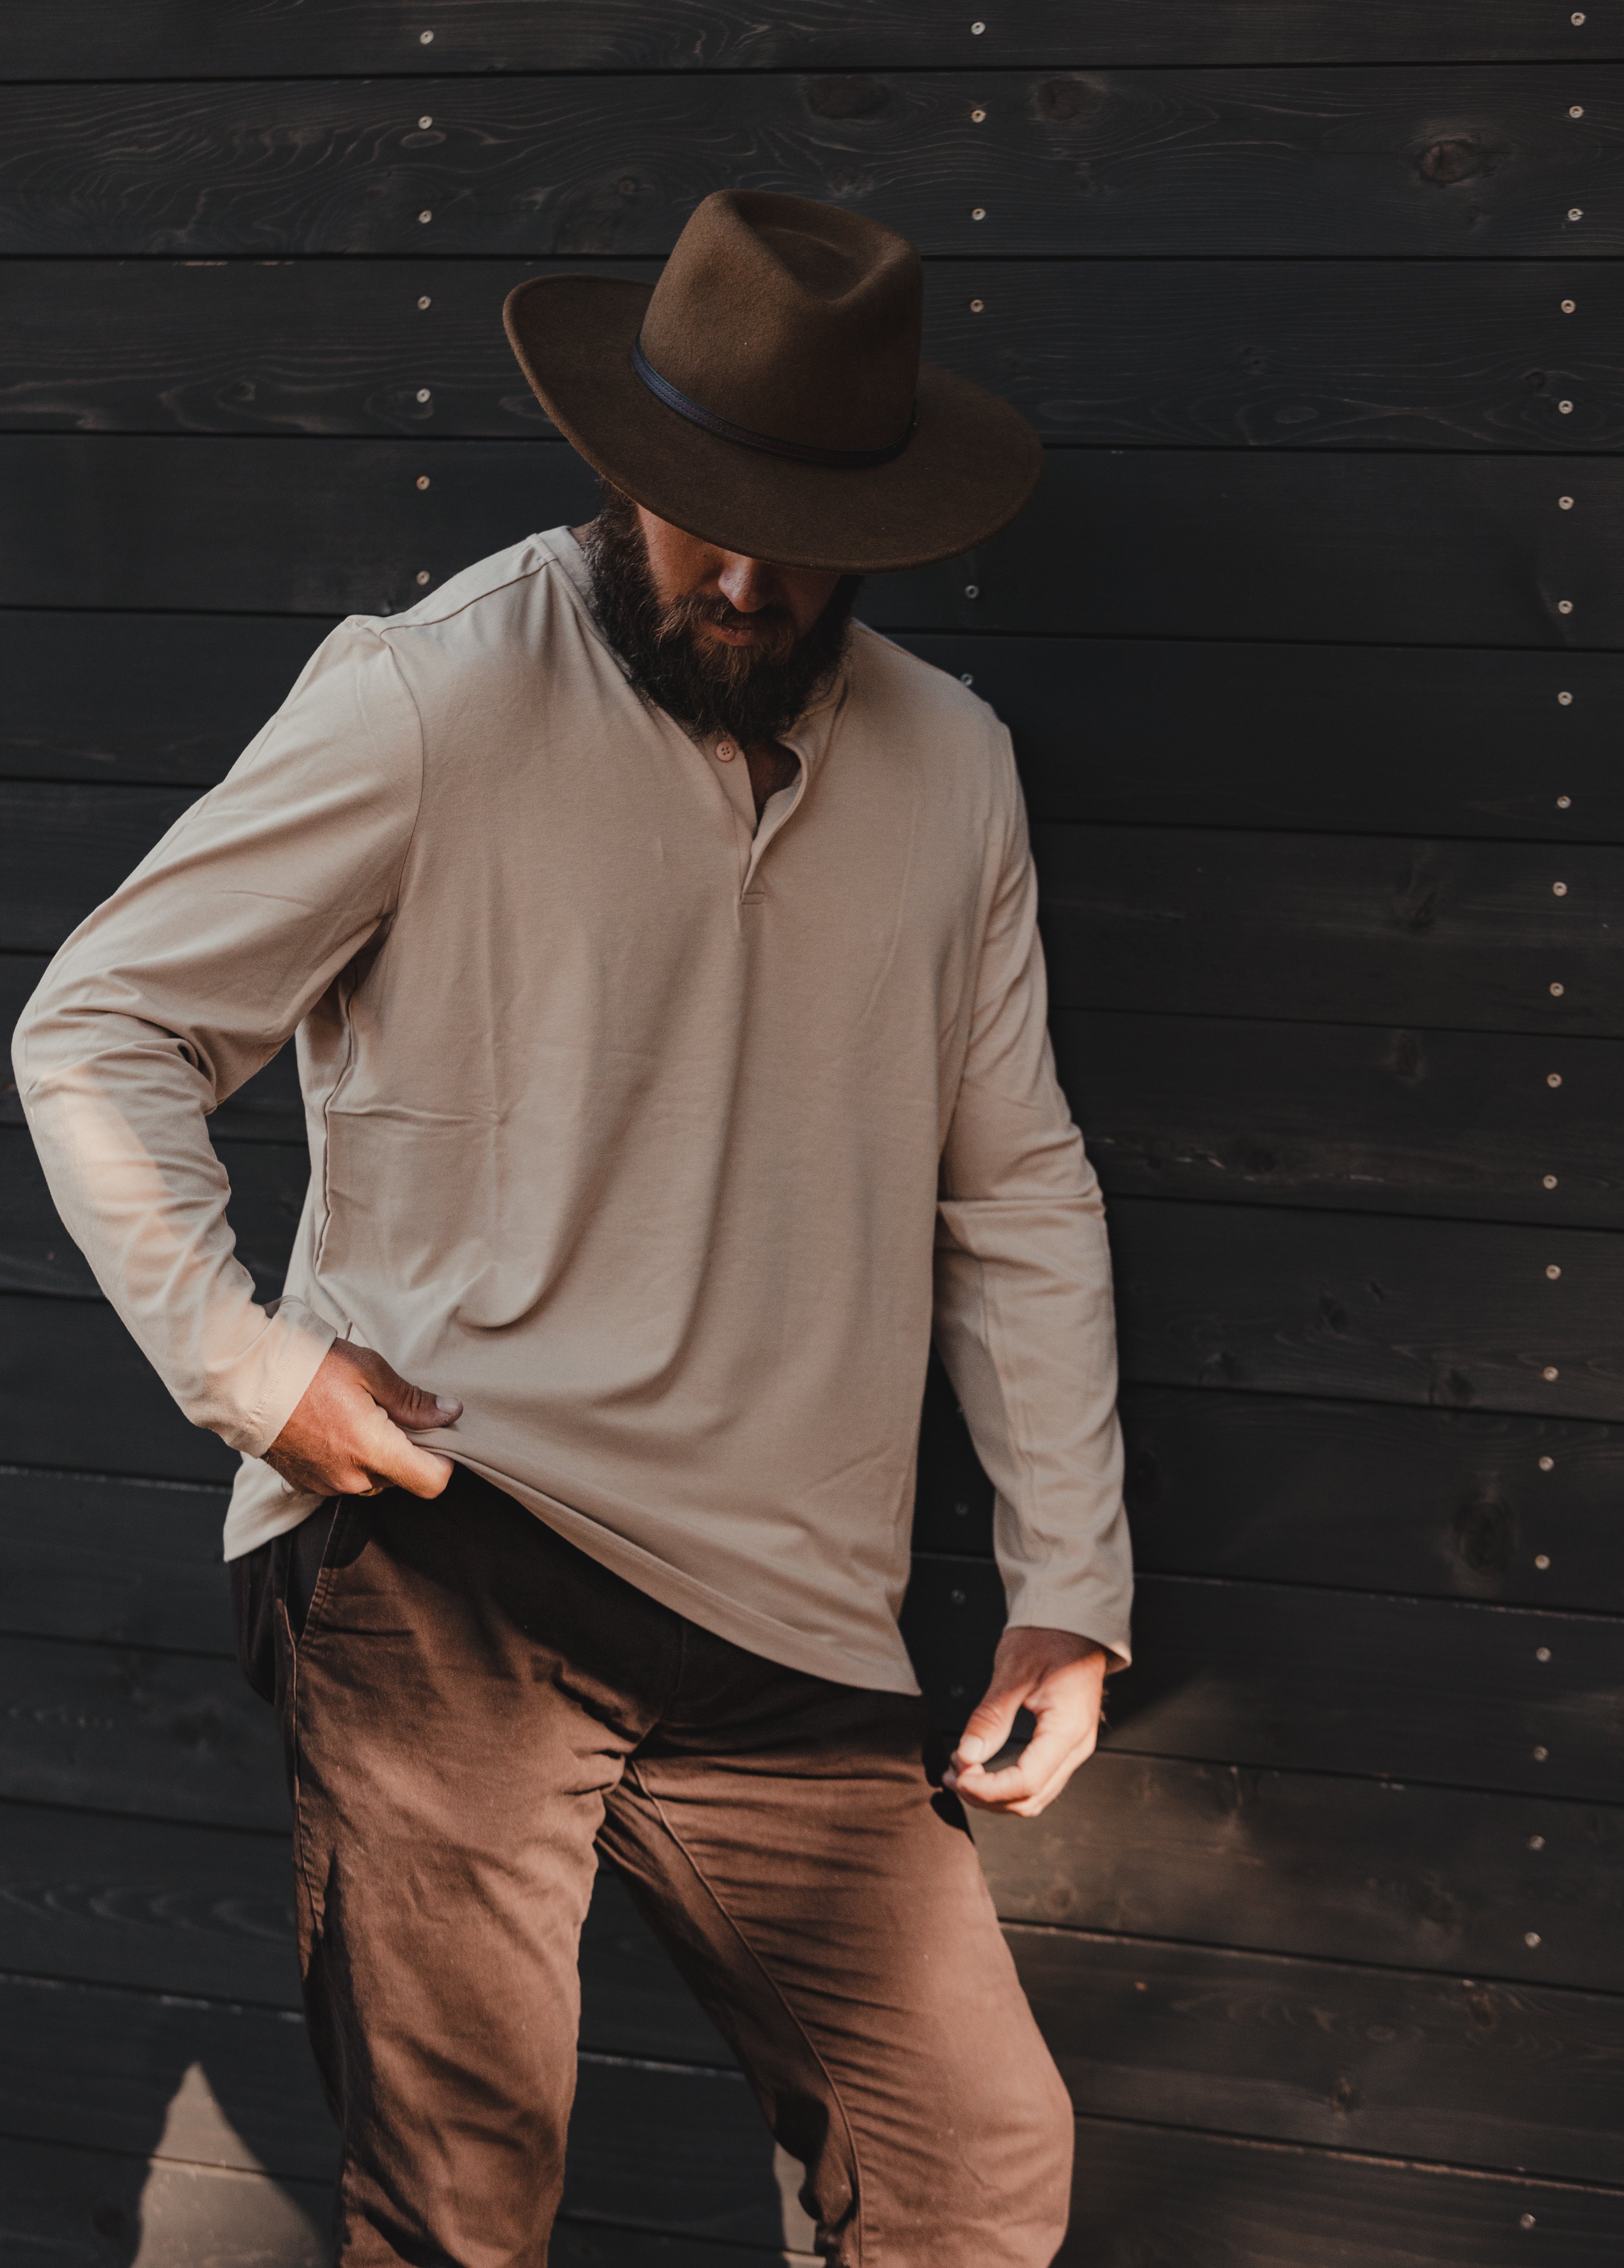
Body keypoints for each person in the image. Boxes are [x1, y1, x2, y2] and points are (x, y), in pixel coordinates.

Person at [15, 190, 1132, 2268]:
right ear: (620, 466)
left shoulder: (954, 772)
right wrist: (254, 1373)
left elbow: (1020, 1186)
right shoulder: (434, 696)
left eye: (790, 524)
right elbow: (101, 1027)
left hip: (791, 1618)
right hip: (454, 1546)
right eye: (690, 503)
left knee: (974, 2171)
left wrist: (1070, 1582)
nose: (733, 566)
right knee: (459, 2218)